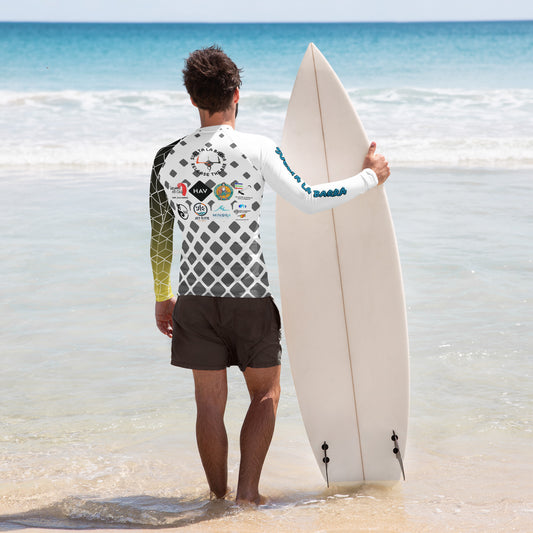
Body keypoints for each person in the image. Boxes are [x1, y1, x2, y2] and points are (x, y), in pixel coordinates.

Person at [149, 45, 390, 505]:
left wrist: (164, 296)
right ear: (237, 93)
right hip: (249, 298)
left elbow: (161, 236)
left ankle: (216, 499)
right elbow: (309, 199)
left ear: (192, 98)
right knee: (265, 395)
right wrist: (368, 178)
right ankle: (247, 496)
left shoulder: (166, 158)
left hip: (194, 299)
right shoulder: (258, 149)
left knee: (208, 404)